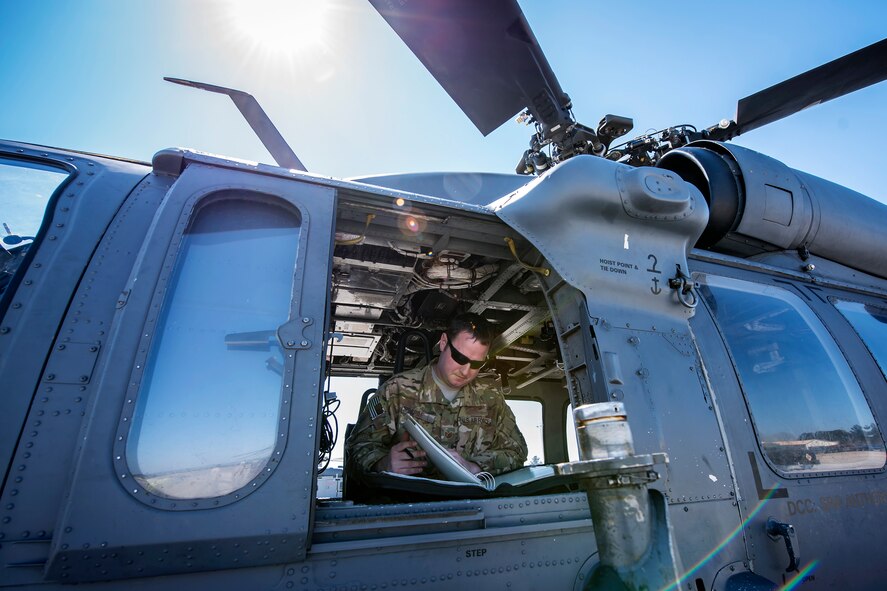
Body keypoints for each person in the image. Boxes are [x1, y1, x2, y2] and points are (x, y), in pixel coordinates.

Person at [346, 313, 528, 482]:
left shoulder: (491, 398)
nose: (466, 371)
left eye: (477, 363)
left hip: (472, 504)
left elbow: (517, 451)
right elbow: (357, 448)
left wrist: (474, 467)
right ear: (443, 343)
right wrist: (383, 464)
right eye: (459, 357)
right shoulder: (396, 391)